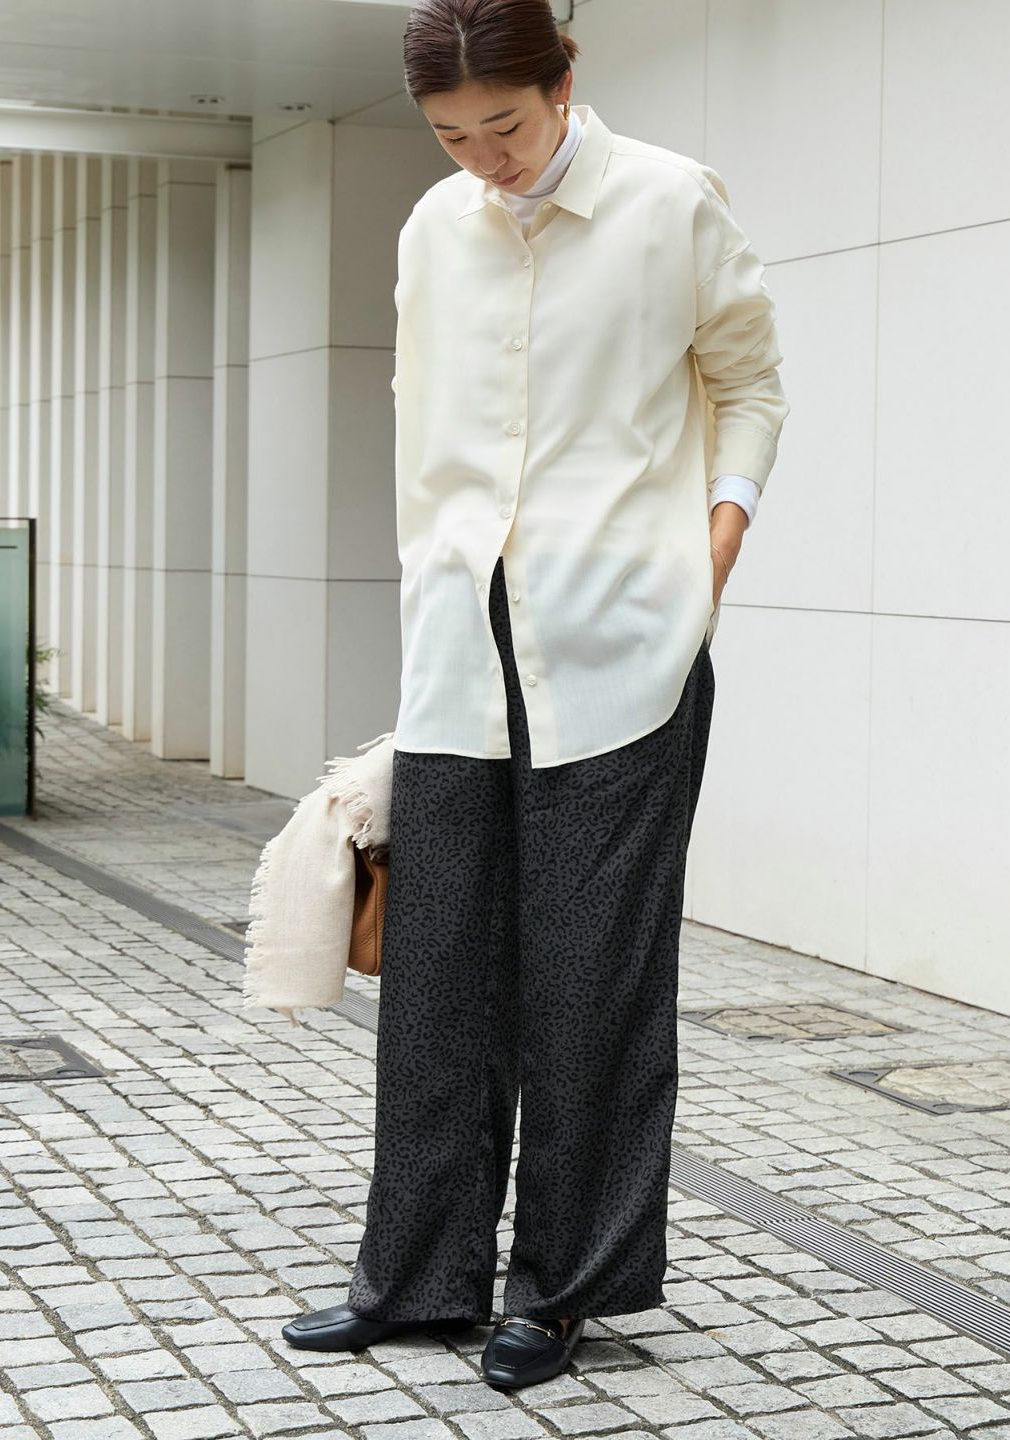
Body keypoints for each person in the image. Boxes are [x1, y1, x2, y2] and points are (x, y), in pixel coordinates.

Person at [283, 0, 789, 1390]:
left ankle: (560, 1290)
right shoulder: (432, 230)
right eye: (452, 136)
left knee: (589, 982)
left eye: (503, 124)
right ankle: (418, 1279)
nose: (484, 158)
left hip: (624, 649)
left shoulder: (671, 203)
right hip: (462, 644)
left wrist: (716, 543)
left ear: (566, 83)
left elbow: (751, 383)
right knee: (436, 979)